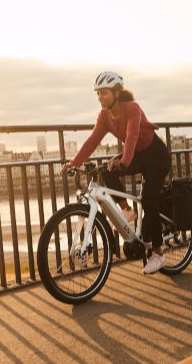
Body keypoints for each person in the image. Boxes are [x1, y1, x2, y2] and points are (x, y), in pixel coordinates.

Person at [60, 71, 171, 275]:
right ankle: (127, 210)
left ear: (117, 93)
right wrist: (74, 162)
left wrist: (124, 161)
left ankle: (158, 254)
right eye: (98, 94)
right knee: (107, 171)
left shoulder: (132, 109)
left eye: (104, 93)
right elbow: (92, 141)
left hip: (156, 155)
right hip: (137, 154)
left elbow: (132, 136)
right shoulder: (104, 116)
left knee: (148, 200)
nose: (100, 97)